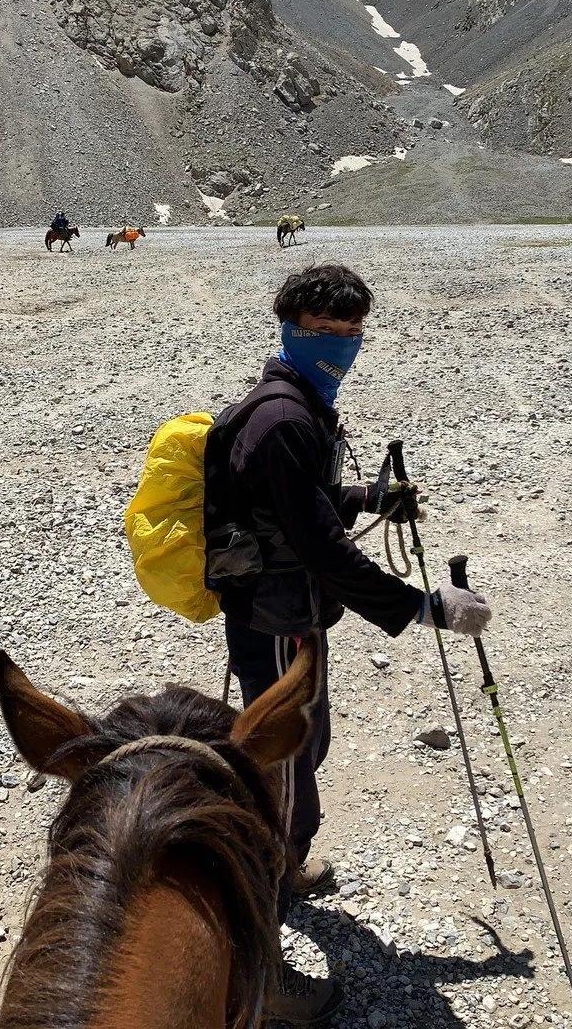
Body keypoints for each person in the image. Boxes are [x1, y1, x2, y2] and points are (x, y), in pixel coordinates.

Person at [213, 264, 492, 1023]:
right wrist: (427, 606)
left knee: (304, 747)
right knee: (283, 765)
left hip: (293, 612)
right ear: (289, 325)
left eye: (353, 331)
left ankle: (286, 865)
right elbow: (322, 546)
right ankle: (260, 966)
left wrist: (373, 497)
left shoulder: (300, 407)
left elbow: (305, 502)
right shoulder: (284, 417)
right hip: (273, 616)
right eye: (327, 330)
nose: (342, 344)